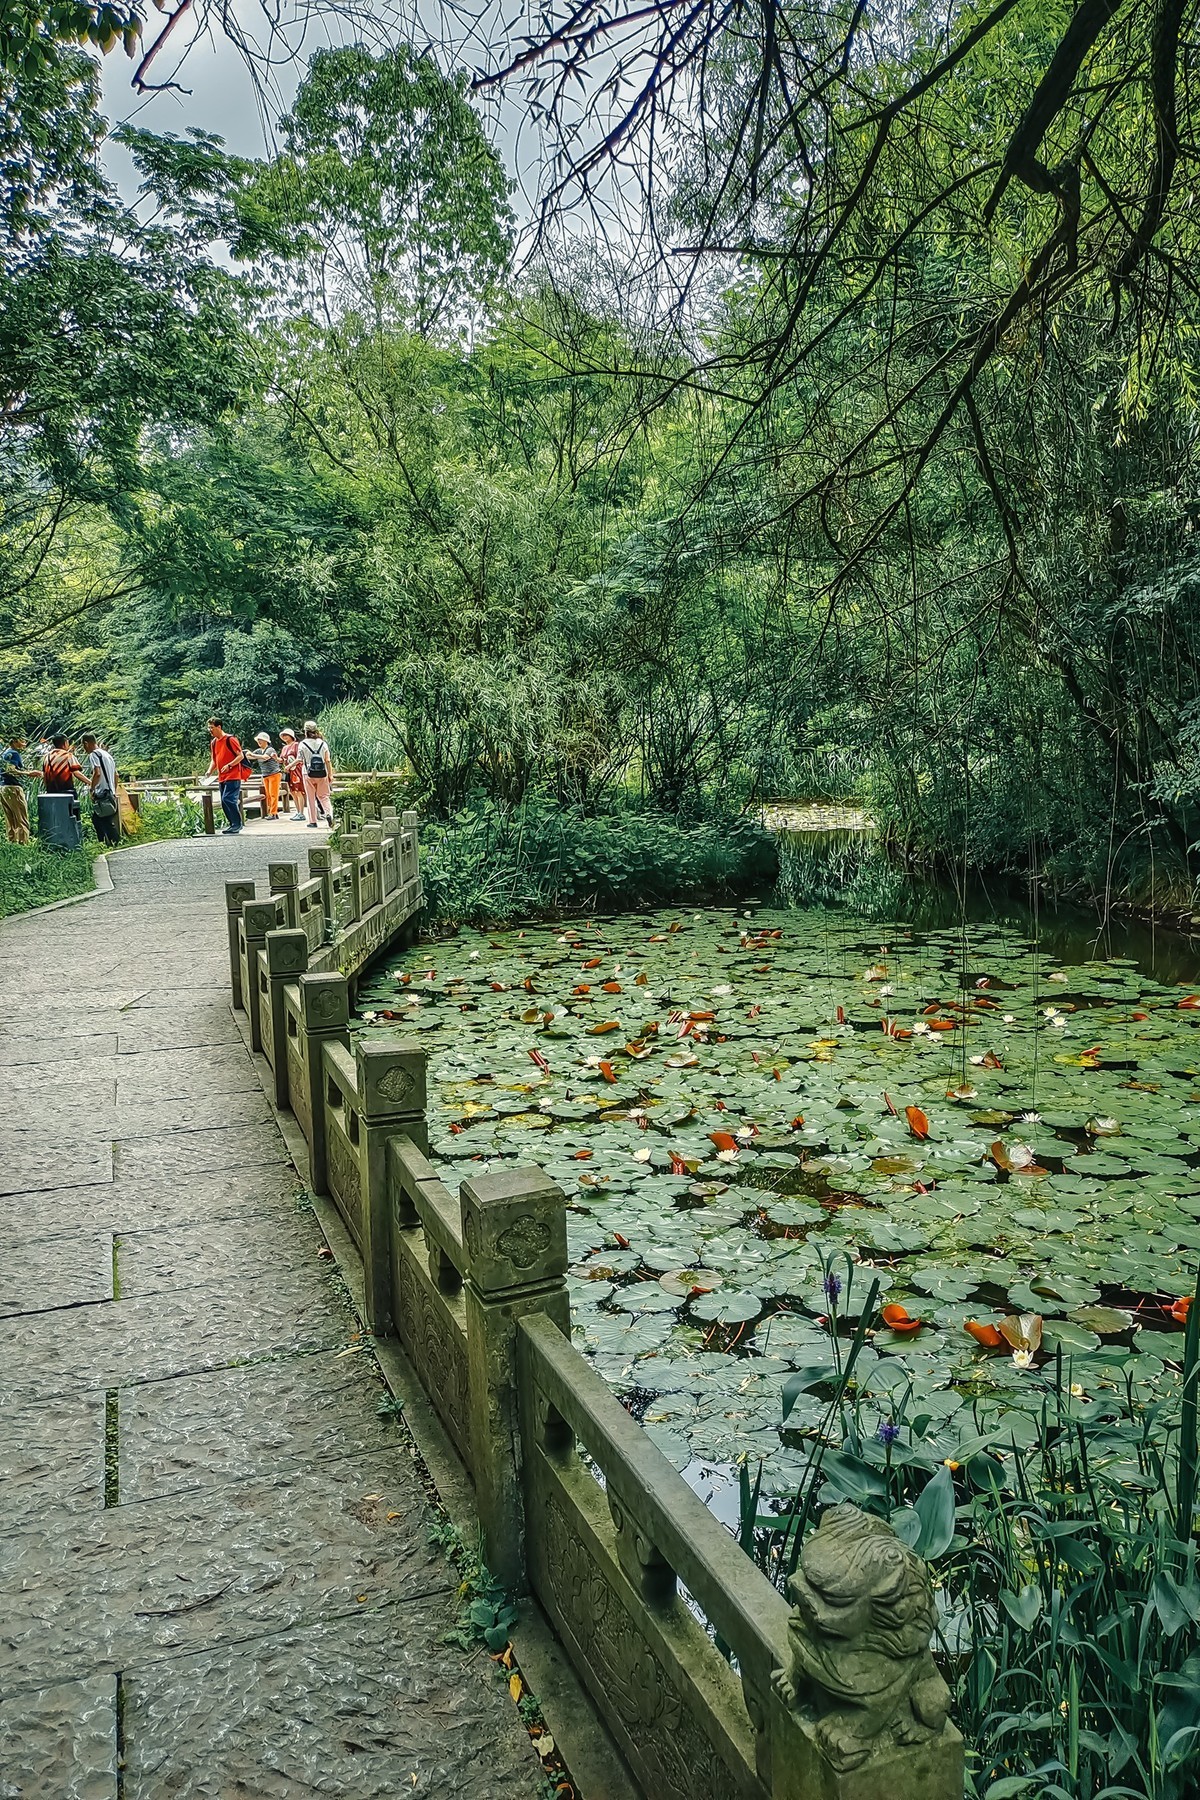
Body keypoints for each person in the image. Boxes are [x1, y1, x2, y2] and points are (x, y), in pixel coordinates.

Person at [205, 718, 248, 834]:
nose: (210, 730)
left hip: (233, 775)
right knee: (224, 802)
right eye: (209, 728)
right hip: (222, 777)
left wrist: (229, 765)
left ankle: (237, 824)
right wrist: (209, 771)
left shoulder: (230, 739)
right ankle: (232, 824)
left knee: (228, 799)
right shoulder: (214, 742)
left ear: (219, 727)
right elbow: (214, 760)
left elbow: (240, 756)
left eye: (212, 728)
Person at [80, 731, 120, 846]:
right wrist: (113, 790)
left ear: (86, 743)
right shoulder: (107, 754)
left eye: (83, 745)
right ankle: (108, 844)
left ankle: (109, 843)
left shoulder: (94, 755)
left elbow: (97, 773)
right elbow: (116, 775)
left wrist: (92, 789)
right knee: (103, 820)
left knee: (101, 820)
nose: (84, 749)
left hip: (102, 793)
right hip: (110, 792)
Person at [0, 734, 37, 844]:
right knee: (21, 818)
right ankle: (23, 844)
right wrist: (28, 773)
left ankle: (12, 843)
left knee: (10, 819)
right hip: (13, 788)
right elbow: (10, 770)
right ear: (15, 741)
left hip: (3, 787)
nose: (25, 743)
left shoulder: (5, 753)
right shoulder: (14, 754)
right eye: (22, 740)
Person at [297, 719, 334, 828]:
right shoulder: (323, 743)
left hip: (307, 773)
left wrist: (289, 766)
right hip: (322, 773)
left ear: (305, 731)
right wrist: (330, 775)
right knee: (324, 797)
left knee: (311, 798)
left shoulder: (302, 744)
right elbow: (327, 760)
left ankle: (313, 821)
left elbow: (300, 760)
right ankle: (328, 814)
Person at [246, 732, 282, 819]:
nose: (259, 742)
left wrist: (253, 755)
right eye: (258, 740)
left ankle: (273, 813)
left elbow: (265, 757)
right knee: (268, 795)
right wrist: (250, 754)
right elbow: (248, 756)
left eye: (260, 740)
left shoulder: (270, 750)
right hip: (265, 775)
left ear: (266, 741)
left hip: (274, 774)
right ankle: (272, 812)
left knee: (273, 794)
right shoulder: (259, 751)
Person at [279, 729, 304, 816]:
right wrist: (275, 758)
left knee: (298, 791)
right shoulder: (284, 748)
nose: (285, 737)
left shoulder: (296, 745)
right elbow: (281, 760)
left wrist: (290, 765)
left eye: (287, 735)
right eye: (283, 735)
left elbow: (300, 757)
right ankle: (298, 811)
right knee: (292, 791)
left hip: (297, 770)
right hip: (288, 771)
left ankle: (301, 812)